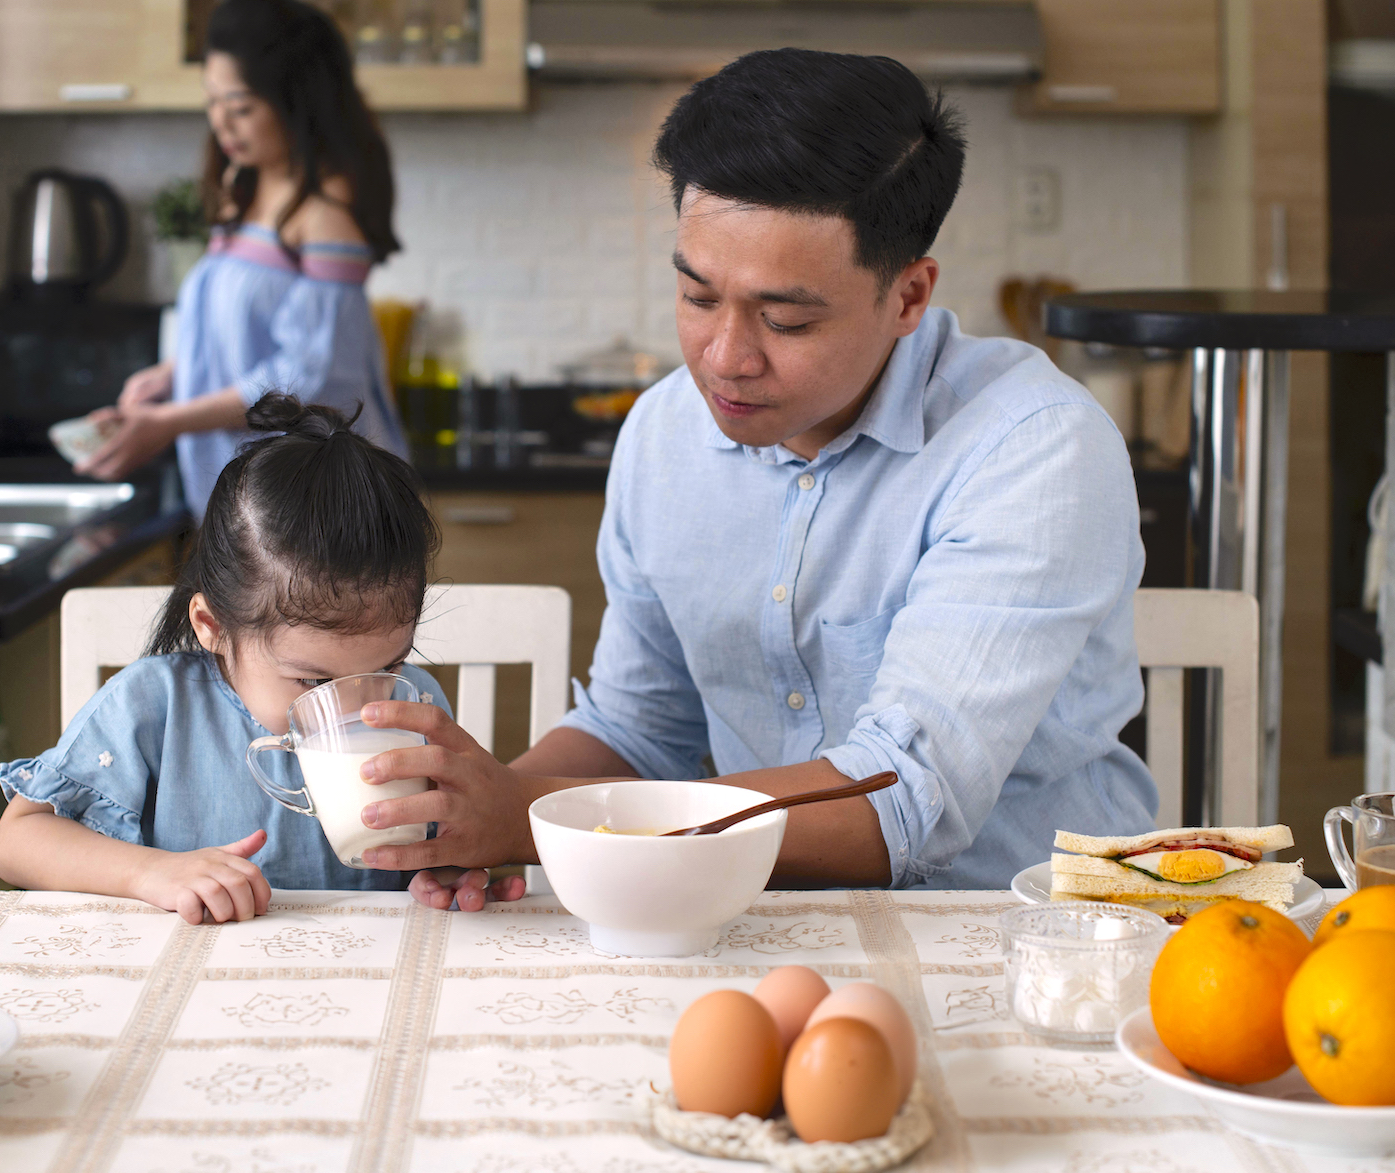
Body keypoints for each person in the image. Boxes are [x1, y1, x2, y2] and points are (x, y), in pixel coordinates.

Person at [350, 48, 1159, 908]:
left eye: (785, 319)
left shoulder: (1033, 446)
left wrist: (533, 823)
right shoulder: (663, 433)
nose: (725, 359)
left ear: (909, 296)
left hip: (1023, 931)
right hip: (751, 920)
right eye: (698, 299)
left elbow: (902, 803)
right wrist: (486, 808)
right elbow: (639, 727)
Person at [0, 394, 511, 923]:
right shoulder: (156, 705)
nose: (356, 710)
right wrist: (150, 872)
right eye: (314, 682)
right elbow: (17, 841)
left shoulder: (414, 707)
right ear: (213, 626)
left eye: (386, 668)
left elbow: (442, 842)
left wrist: (446, 869)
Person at [80, 0, 407, 515]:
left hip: (313, 504)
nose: (221, 123)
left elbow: (311, 377)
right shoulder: (244, 189)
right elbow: (242, 330)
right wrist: (175, 374)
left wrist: (170, 422)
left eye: (240, 108)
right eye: (211, 101)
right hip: (252, 493)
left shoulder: (326, 214)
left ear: (297, 102)